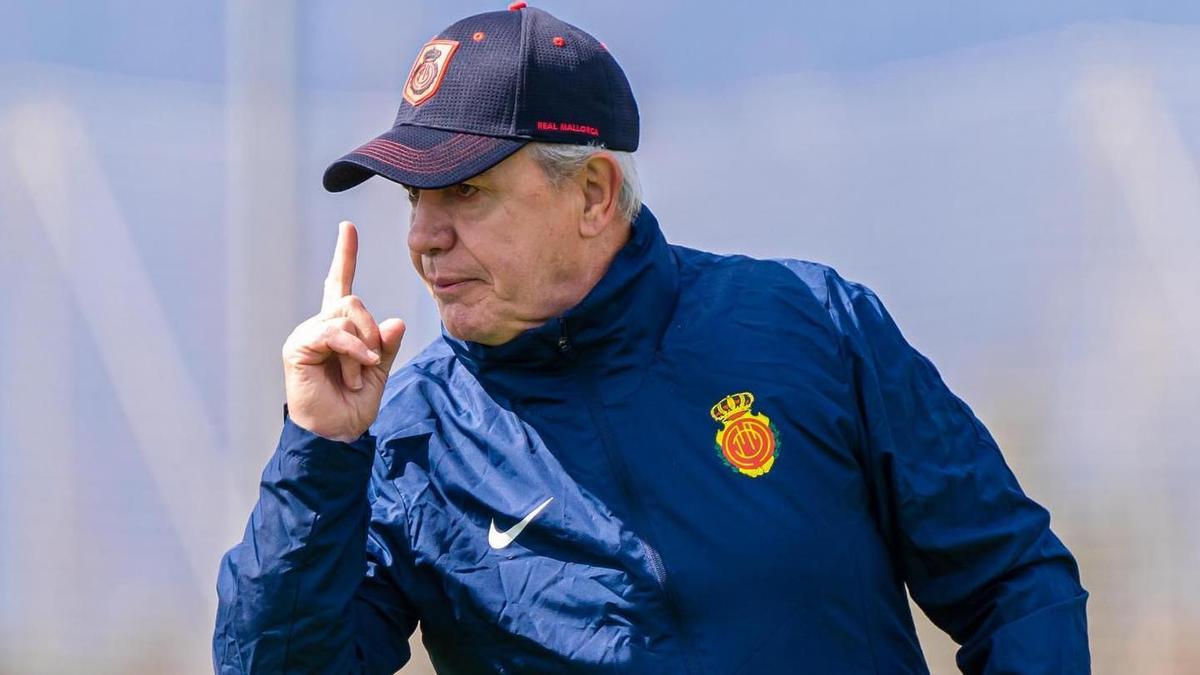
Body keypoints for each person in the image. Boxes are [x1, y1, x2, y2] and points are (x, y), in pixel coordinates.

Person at [213, 4, 1090, 673]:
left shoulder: (812, 326)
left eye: (467, 193)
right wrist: (317, 454)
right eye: (414, 199)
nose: (424, 237)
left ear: (592, 192)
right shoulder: (410, 440)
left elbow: (1014, 582)